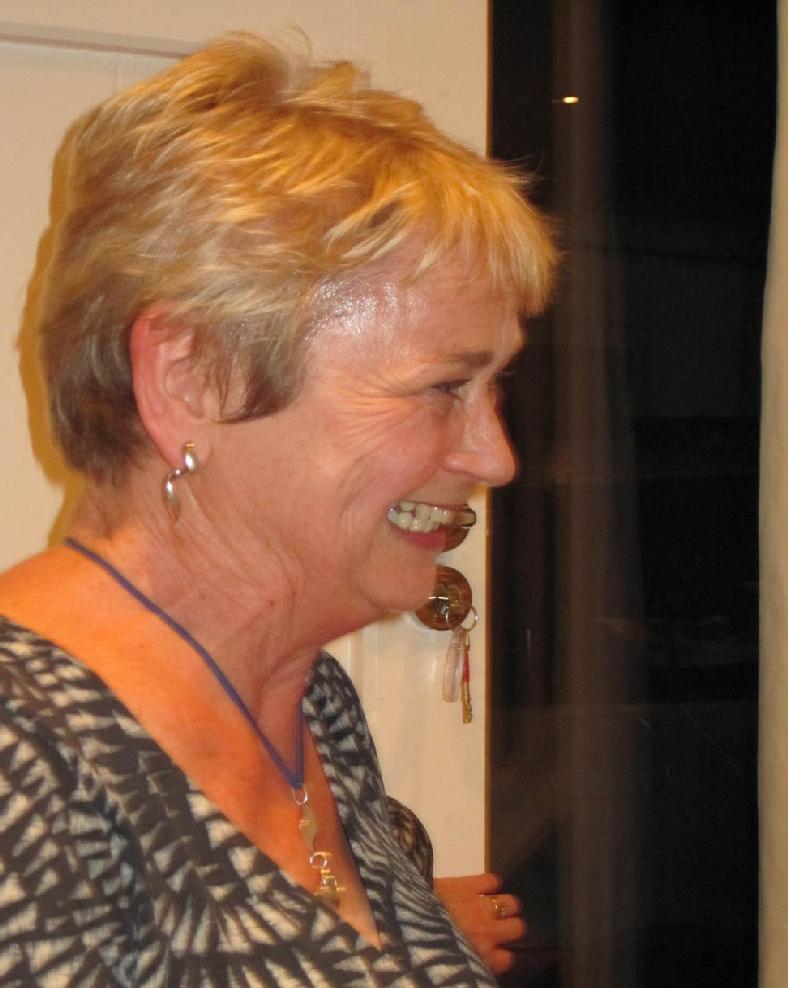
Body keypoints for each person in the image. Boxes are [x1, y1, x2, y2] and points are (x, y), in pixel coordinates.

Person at [0, 33, 554, 985]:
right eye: (442, 388)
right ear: (194, 379)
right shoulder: (24, 759)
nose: (494, 457)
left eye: (492, 387)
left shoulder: (307, 705)